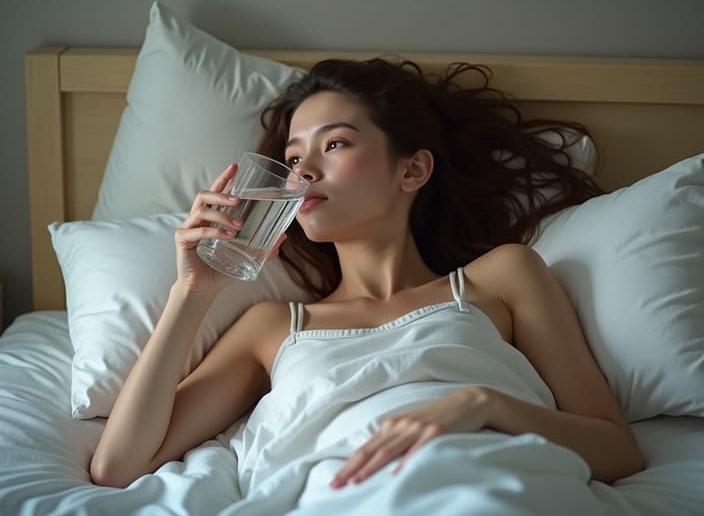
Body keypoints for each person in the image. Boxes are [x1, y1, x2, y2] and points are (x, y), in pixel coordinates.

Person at [90, 57, 644, 491]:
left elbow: (616, 450)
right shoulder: (273, 327)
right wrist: (191, 291)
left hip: (491, 484)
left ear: (412, 169)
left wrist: (484, 404)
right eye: (294, 156)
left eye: (334, 144)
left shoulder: (502, 278)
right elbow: (118, 467)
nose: (303, 171)